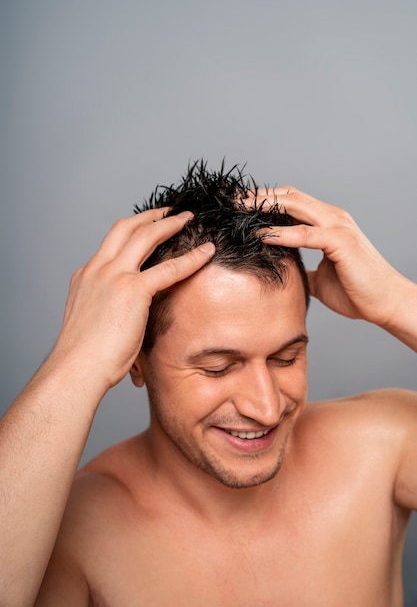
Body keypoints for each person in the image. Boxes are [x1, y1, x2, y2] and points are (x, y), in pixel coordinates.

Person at [1, 161, 416, 607]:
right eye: (218, 367)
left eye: (286, 357)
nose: (266, 408)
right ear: (136, 362)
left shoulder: (379, 447)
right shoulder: (73, 534)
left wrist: (399, 302)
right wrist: (77, 359)